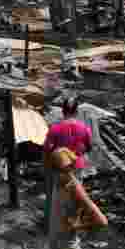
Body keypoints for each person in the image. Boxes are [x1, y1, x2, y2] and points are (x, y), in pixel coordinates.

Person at [42, 98, 94, 229]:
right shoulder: (85, 128)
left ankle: (51, 224)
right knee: (76, 195)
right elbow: (89, 147)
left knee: (56, 196)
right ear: (76, 111)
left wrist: (49, 164)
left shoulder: (55, 128)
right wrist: (77, 152)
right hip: (77, 167)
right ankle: (72, 223)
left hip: (59, 168)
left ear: (62, 111)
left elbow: (47, 149)